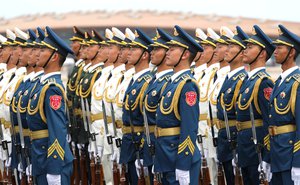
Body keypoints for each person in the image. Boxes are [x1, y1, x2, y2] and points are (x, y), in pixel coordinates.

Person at [154, 25, 202, 185]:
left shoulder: (187, 85)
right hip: (166, 156)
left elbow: (189, 128)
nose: (167, 53)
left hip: (178, 157)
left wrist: (183, 164)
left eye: (172, 49)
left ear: (185, 54)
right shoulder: (171, 83)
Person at [26, 26, 74, 184]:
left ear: (54, 57)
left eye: (43, 51)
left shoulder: (52, 89)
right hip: (40, 158)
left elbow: (58, 129)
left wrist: (54, 169)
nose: (38, 54)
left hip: (51, 161)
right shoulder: (42, 85)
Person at [236, 25, 275, 185]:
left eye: (250, 47)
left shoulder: (263, 82)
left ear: (262, 53)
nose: (244, 50)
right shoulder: (247, 81)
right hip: (245, 148)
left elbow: (269, 121)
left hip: (257, 148)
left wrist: (267, 157)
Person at [136, 28, 174, 184]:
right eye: (151, 48)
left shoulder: (168, 82)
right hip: (150, 142)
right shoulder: (154, 80)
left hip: (164, 145)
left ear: (167, 53)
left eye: (157, 49)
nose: (151, 51)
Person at [119, 28, 153, 184]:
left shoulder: (147, 82)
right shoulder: (135, 80)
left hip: (140, 144)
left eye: (134, 49)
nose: (129, 52)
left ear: (145, 55)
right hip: (130, 143)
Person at [216, 26, 248, 185]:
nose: (226, 51)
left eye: (231, 47)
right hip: (225, 141)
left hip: (235, 142)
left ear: (242, 53)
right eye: (226, 46)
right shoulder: (229, 78)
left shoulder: (242, 79)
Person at [268, 24, 300, 185]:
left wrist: (298, 163)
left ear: (291, 52)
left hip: (290, 156)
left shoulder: (297, 82)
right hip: (277, 154)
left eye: (279, 47)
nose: (275, 51)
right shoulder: (279, 82)